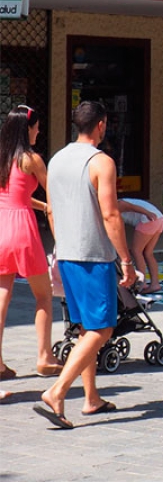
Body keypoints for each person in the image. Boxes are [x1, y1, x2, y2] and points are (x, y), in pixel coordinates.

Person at [34, 101, 137, 428]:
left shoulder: (57, 159)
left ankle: (91, 398)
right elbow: (110, 214)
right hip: (93, 256)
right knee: (102, 328)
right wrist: (126, 259)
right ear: (102, 125)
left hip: (66, 253)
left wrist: (62, 241)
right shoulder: (101, 162)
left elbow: (50, 209)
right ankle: (58, 390)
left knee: (83, 329)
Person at [0, 105, 63, 381]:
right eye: (37, 126)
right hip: (23, 230)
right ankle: (44, 357)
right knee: (43, 295)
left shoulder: (2, 158)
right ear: (28, 128)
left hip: (1, 226)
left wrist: (38, 205)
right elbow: (54, 200)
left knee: (2, 297)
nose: (39, 130)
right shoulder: (32, 159)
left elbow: (16, 195)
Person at [118, 199, 163, 292]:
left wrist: (147, 213)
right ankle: (155, 284)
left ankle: (141, 283)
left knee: (136, 251)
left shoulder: (117, 204)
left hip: (149, 219)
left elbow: (132, 207)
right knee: (148, 253)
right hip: (159, 218)